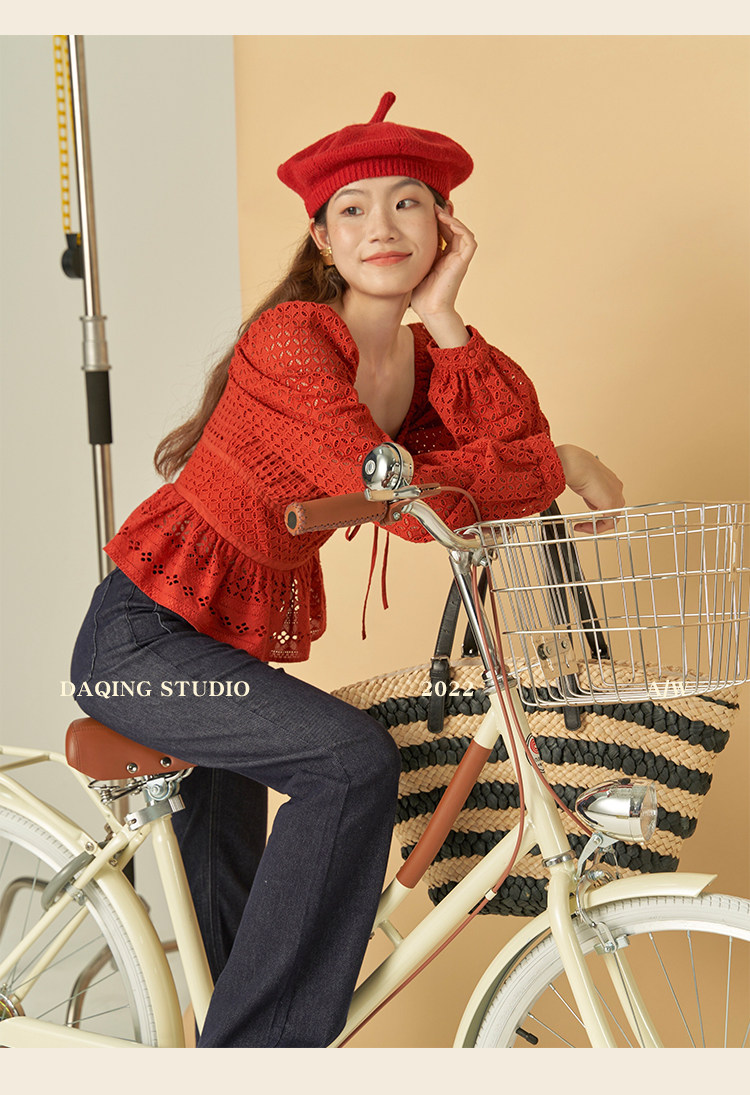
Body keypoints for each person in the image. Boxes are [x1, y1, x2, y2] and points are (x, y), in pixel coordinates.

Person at [70, 91, 625, 1048]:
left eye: (408, 203)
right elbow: (398, 494)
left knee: (233, 927)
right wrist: (562, 463)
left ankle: (231, 1048)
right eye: (355, 209)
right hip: (141, 643)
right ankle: (265, 1061)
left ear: (444, 226)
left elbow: (503, 442)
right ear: (323, 240)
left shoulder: (413, 357)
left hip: (222, 655)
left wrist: (445, 315)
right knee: (350, 760)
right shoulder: (293, 339)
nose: (383, 226)